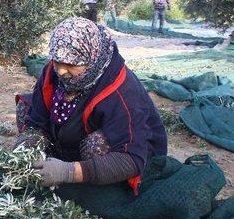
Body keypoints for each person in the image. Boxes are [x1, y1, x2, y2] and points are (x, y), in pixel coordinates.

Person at [15, 17, 167, 194]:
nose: (61, 70)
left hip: (131, 154)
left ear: (91, 58)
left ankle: (87, 176)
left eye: (71, 64)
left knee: (97, 145)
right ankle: (55, 164)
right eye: (57, 61)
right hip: (73, 139)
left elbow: (132, 159)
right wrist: (26, 147)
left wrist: (68, 172)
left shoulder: (121, 90)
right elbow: (38, 121)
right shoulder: (53, 72)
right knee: (25, 108)